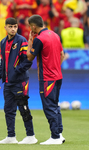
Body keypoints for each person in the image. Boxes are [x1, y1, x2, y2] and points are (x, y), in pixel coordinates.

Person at [0, 17, 38, 144]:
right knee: (8, 109)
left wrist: (16, 71)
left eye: (15, 27)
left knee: (23, 108)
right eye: (10, 26)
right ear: (5, 27)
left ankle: (31, 136)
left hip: (20, 81)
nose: (13, 29)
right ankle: (11, 137)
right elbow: (3, 61)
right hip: (8, 82)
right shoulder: (3, 42)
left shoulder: (22, 41)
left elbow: (27, 61)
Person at [27, 14, 65, 145]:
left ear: (33, 26)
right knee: (55, 105)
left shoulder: (39, 39)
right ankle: (59, 134)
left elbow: (29, 57)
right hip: (58, 76)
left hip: (47, 78)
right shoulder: (55, 35)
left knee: (49, 107)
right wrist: (55, 68)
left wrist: (30, 40)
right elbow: (62, 54)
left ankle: (55, 137)